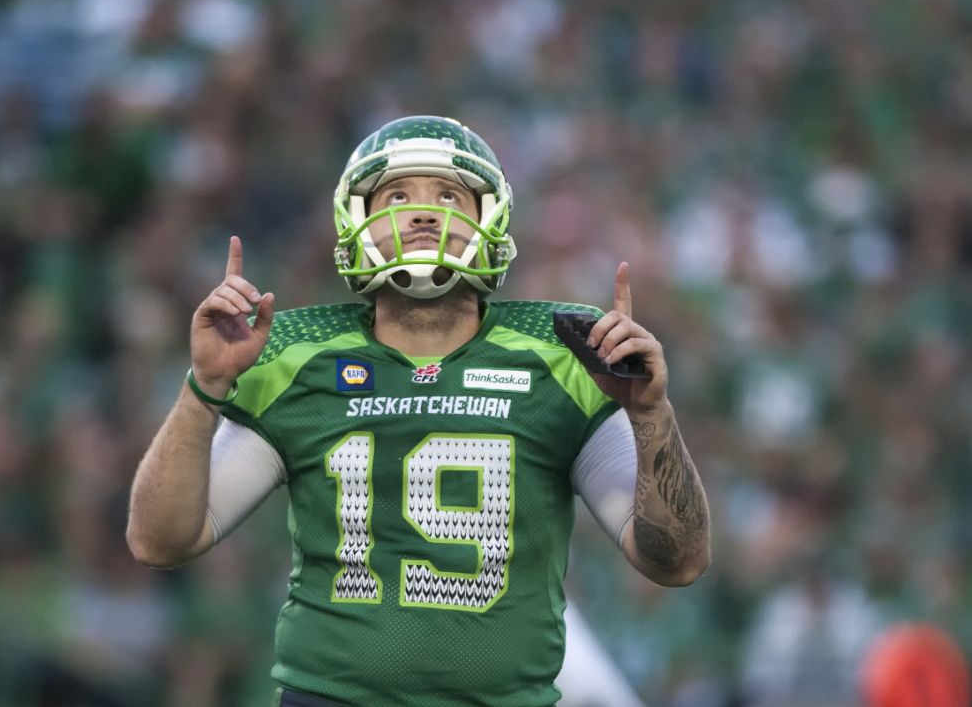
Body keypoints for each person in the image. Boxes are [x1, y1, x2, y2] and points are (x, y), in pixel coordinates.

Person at [127, 115, 710, 706]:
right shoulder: (294, 358)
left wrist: (651, 416)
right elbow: (159, 542)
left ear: (491, 217)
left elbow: (676, 562)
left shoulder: (561, 359)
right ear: (357, 219)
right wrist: (203, 387)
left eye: (450, 194)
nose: (425, 213)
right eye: (398, 195)